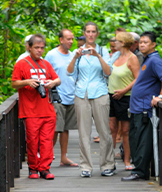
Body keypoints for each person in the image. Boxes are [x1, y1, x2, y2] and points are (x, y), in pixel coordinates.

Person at [67, 22, 115, 178]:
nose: (91, 34)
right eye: (88, 31)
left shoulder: (103, 50)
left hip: (100, 92)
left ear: (97, 34)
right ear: (84, 33)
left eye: (93, 31)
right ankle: (86, 166)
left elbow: (108, 72)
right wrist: (75, 57)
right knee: (83, 132)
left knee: (104, 131)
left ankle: (107, 164)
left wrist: (98, 56)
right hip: (81, 94)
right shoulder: (78, 52)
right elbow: (69, 73)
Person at [11, 34, 61, 180]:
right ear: (29, 47)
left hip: (48, 109)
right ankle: (33, 168)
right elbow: (14, 83)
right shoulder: (21, 64)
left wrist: (53, 83)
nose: (39, 50)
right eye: (36, 48)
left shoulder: (46, 64)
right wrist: (27, 81)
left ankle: (45, 168)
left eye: (42, 48)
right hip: (31, 110)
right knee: (32, 141)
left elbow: (57, 78)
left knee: (47, 141)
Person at [122, 31, 162, 181]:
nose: (142, 44)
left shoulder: (155, 60)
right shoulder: (147, 59)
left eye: (146, 42)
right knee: (136, 138)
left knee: (143, 140)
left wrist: (160, 97)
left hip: (145, 109)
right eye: (141, 42)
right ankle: (139, 169)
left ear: (153, 44)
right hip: (137, 108)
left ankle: (140, 171)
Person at [45, 29, 78, 167]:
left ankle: (64, 157)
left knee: (65, 128)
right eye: (68, 39)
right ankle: (47, 157)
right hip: (56, 96)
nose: (71, 42)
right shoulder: (51, 55)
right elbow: (45, 73)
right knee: (55, 128)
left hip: (71, 96)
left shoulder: (73, 55)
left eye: (72, 39)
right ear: (61, 40)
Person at [108, 32, 140, 171]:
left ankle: (127, 160)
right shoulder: (115, 56)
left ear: (123, 42)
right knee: (112, 129)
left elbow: (138, 78)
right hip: (111, 96)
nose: (114, 42)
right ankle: (109, 160)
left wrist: (123, 91)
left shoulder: (132, 58)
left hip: (126, 97)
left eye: (117, 40)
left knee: (125, 130)